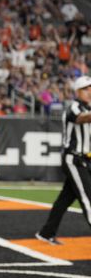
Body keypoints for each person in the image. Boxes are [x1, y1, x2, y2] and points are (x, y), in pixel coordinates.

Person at [36, 77, 91, 245]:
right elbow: (80, 118)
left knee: (64, 200)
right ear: (77, 91)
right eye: (86, 89)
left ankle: (46, 233)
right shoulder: (73, 107)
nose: (89, 92)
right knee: (88, 197)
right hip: (73, 158)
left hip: (85, 159)